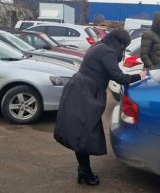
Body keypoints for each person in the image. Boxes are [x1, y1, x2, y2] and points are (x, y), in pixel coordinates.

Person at [54, 29, 146, 186]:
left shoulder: (101, 46)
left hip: (81, 89)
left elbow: (110, 72)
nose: (123, 50)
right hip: (85, 93)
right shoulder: (107, 52)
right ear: (121, 44)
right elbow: (119, 77)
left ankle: (83, 170)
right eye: (124, 47)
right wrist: (140, 76)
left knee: (82, 133)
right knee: (83, 133)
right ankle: (85, 172)